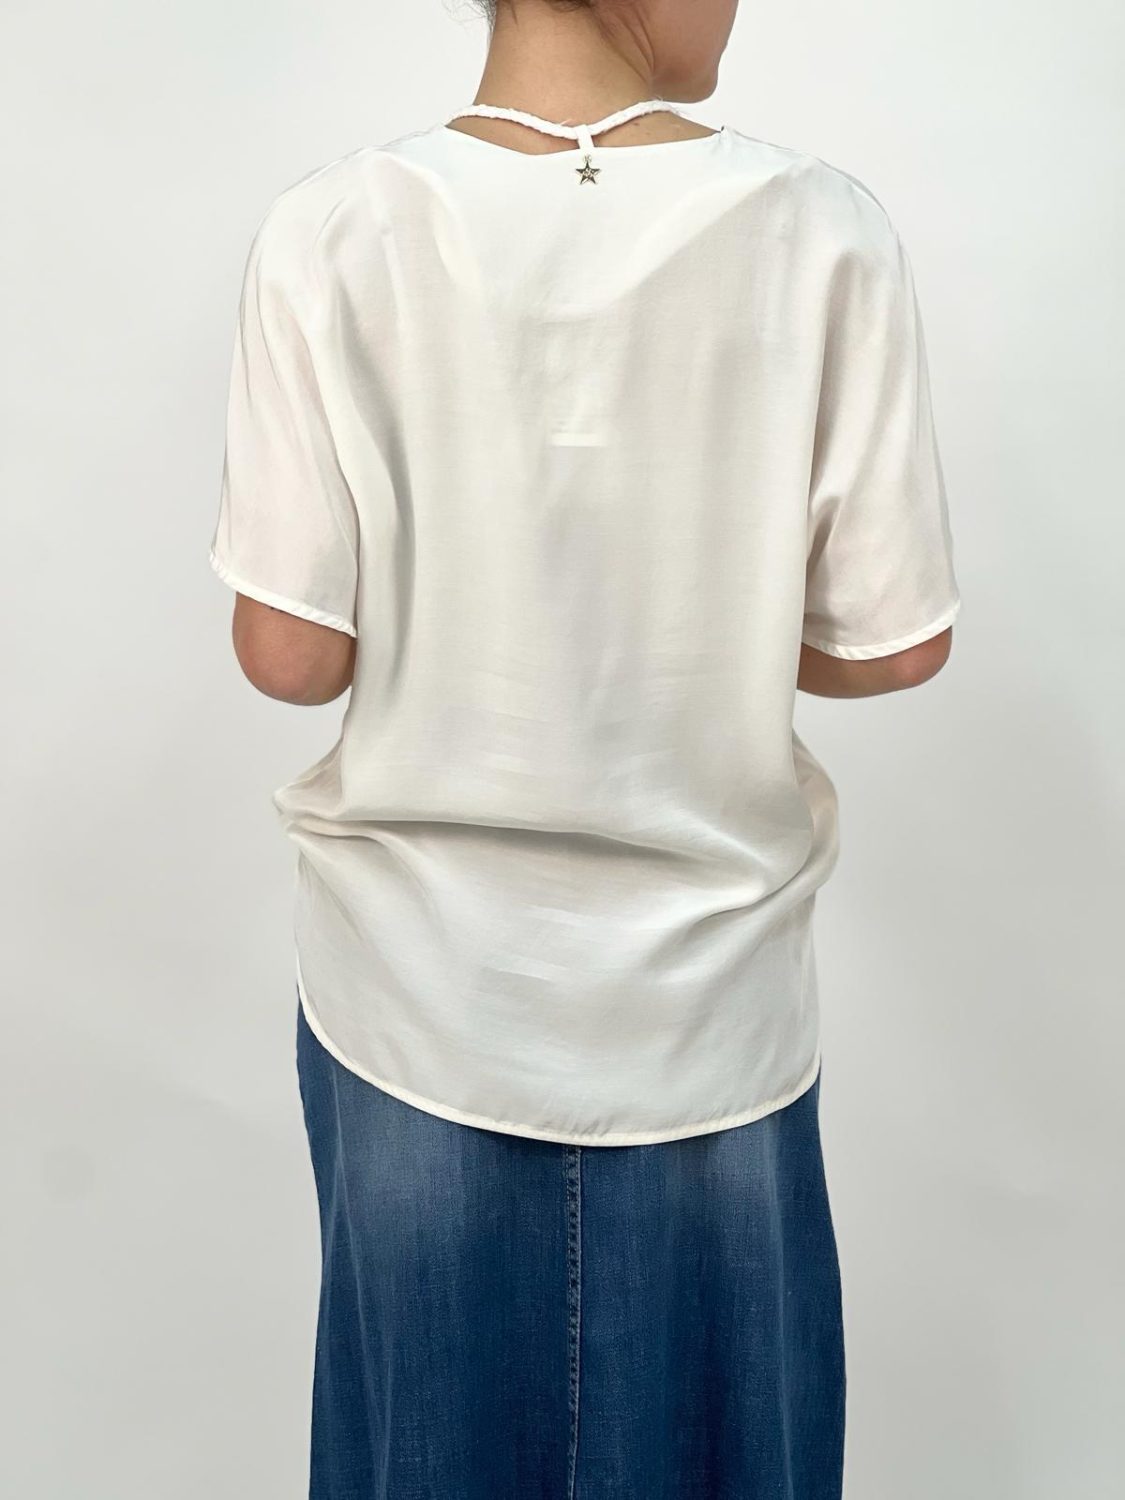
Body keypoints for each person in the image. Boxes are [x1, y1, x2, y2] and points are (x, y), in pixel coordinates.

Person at [208, 0, 961, 1494]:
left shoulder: (333, 228)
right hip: (711, 1004)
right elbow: (894, 642)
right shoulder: (820, 230)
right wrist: (708, 618)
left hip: (418, 991)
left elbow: (291, 656)